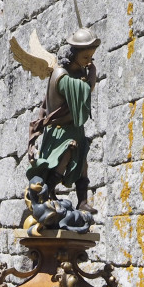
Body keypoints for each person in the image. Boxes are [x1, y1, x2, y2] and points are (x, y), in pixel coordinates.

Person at [25, 28, 100, 213]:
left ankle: (82, 201)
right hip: (61, 131)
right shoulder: (61, 76)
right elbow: (85, 90)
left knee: (83, 164)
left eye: (91, 57)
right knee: (63, 159)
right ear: (74, 54)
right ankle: (47, 193)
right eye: (85, 57)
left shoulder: (77, 70)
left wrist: (86, 68)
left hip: (74, 129)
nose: (89, 61)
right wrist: (93, 74)